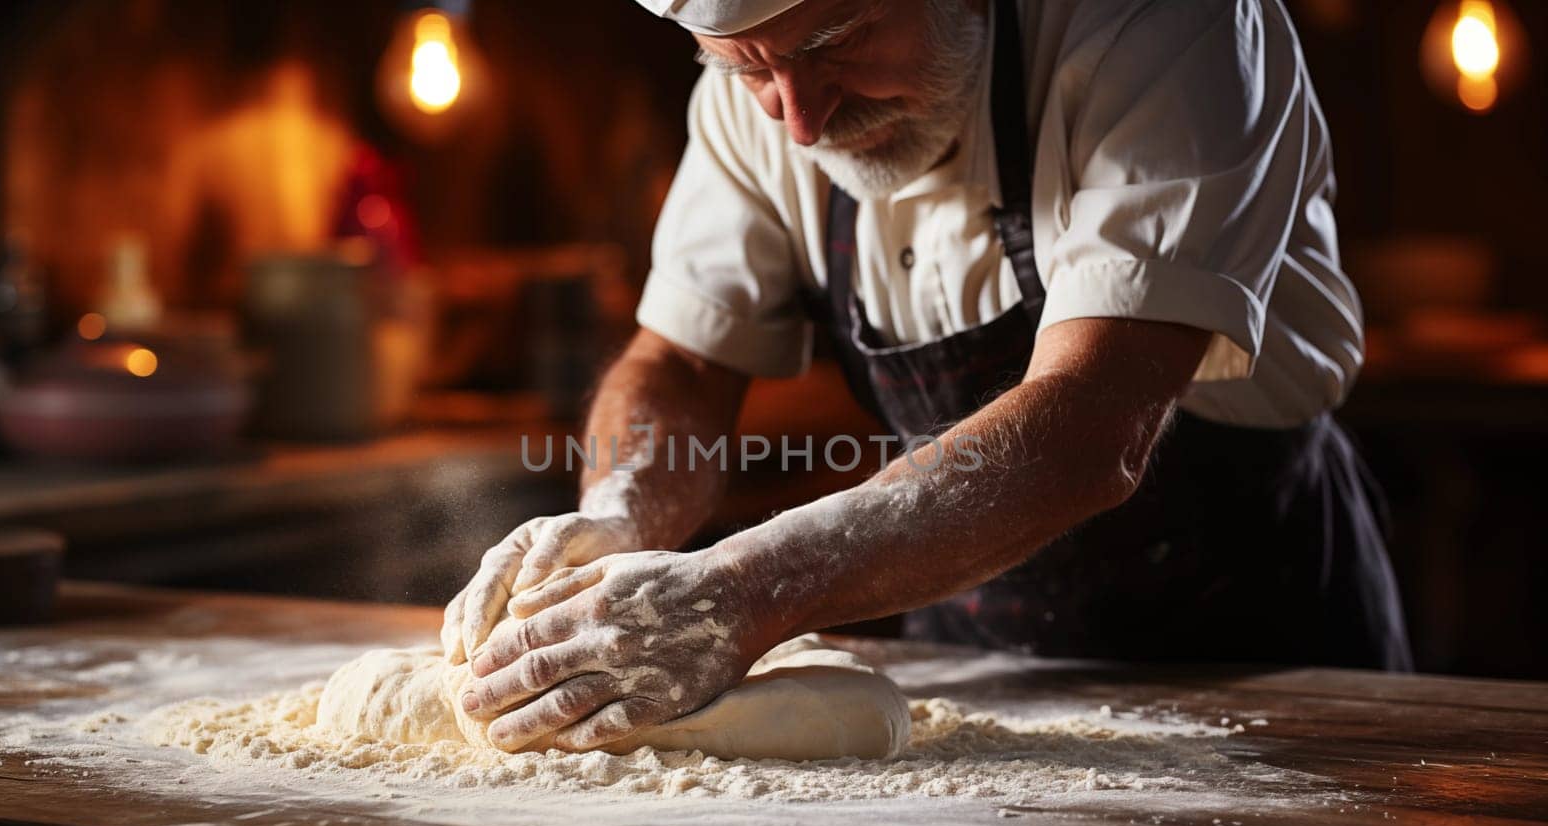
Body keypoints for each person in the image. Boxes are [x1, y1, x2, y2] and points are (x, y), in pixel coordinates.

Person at [443, 0, 1414, 754]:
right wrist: (623, 512)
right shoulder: (765, 92)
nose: (798, 118)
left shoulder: (1159, 28)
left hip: (1254, 648)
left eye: (837, 40)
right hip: (970, 660)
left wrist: (737, 590)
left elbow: (1089, 424)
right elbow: (684, 360)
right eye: (747, 70)